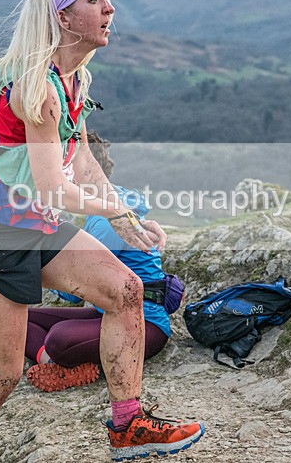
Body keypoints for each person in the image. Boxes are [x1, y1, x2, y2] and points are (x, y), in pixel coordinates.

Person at [0, 0, 204, 462]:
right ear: (63, 17)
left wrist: (125, 219)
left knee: (125, 290)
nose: (110, 8)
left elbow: (80, 159)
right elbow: (54, 188)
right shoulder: (37, 89)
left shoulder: (74, 79)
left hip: (33, 225)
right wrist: (114, 207)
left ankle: (128, 426)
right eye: (94, 0)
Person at [24, 131, 180, 391]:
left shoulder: (105, 221)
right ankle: (54, 364)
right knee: (23, 320)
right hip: (106, 314)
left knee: (59, 339)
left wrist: (47, 275)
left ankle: (56, 360)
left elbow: (75, 292)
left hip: (145, 327)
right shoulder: (110, 204)